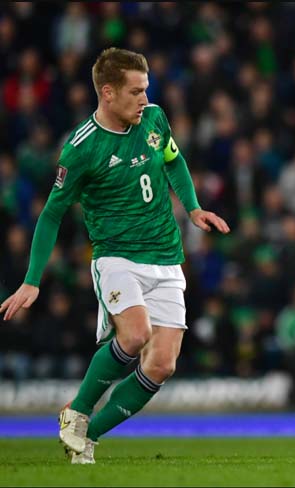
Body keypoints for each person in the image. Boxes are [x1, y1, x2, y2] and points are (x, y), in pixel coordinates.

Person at [0, 48, 230, 464]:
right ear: (108, 93)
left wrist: (193, 208)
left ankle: (86, 434)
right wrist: (32, 279)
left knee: (162, 365)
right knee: (136, 335)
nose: (145, 99)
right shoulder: (81, 148)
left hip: (166, 255)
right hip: (117, 257)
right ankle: (78, 410)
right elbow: (51, 213)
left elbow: (173, 162)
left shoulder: (155, 118)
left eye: (147, 89)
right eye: (136, 91)